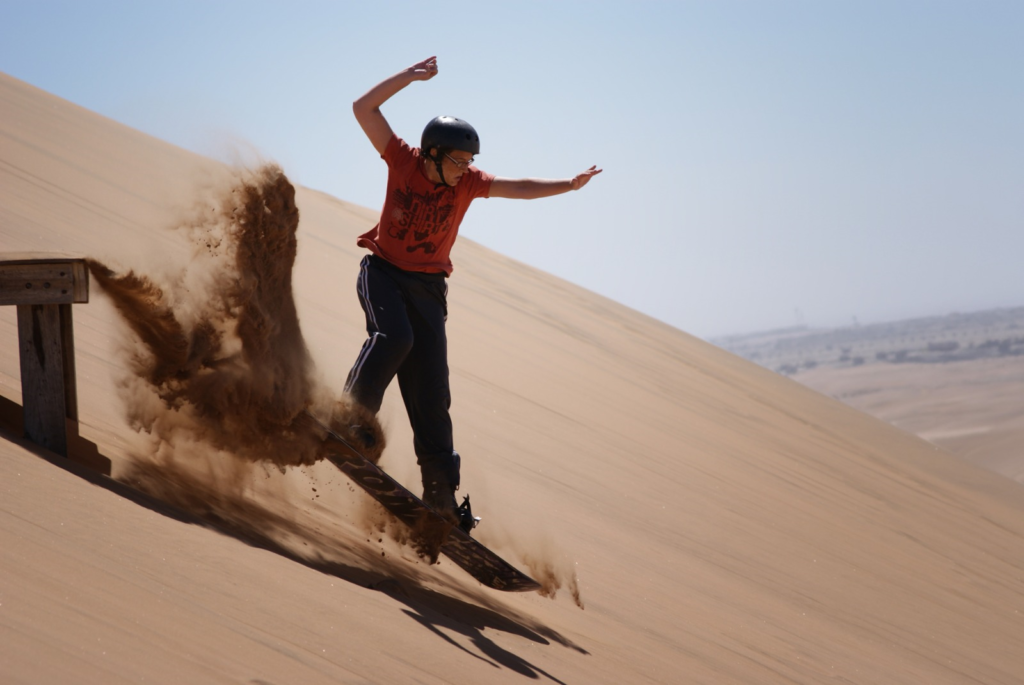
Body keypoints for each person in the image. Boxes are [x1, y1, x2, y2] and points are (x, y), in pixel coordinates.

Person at [344, 56, 601, 526]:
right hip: (382, 272)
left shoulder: (468, 186)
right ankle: (350, 423)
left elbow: (518, 187)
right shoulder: (403, 160)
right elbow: (364, 108)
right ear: (433, 154)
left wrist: (569, 184)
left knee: (433, 391)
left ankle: (440, 495)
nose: (467, 169)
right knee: (393, 339)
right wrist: (409, 77)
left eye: (470, 162)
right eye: (459, 160)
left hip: (428, 289)